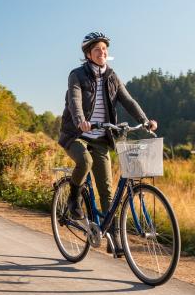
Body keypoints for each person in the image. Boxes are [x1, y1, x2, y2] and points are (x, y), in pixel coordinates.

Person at [58, 31, 158, 257]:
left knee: (107, 191)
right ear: (88, 54)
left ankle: (113, 238)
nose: (102, 52)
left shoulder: (112, 76)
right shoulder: (77, 75)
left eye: (104, 49)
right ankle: (73, 199)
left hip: (102, 138)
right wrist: (81, 121)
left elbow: (128, 100)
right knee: (85, 161)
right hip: (77, 134)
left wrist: (144, 121)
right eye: (97, 49)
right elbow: (74, 100)